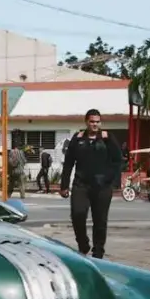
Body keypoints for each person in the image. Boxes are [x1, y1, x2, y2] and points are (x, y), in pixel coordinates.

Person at [59, 108, 123, 258]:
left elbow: (118, 160)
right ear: (86, 122)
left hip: (102, 187)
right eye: (92, 121)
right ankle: (83, 244)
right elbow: (68, 162)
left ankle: (98, 252)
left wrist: (111, 180)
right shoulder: (78, 138)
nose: (95, 124)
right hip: (81, 185)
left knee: (100, 220)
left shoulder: (107, 138)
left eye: (97, 122)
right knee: (77, 215)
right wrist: (64, 185)